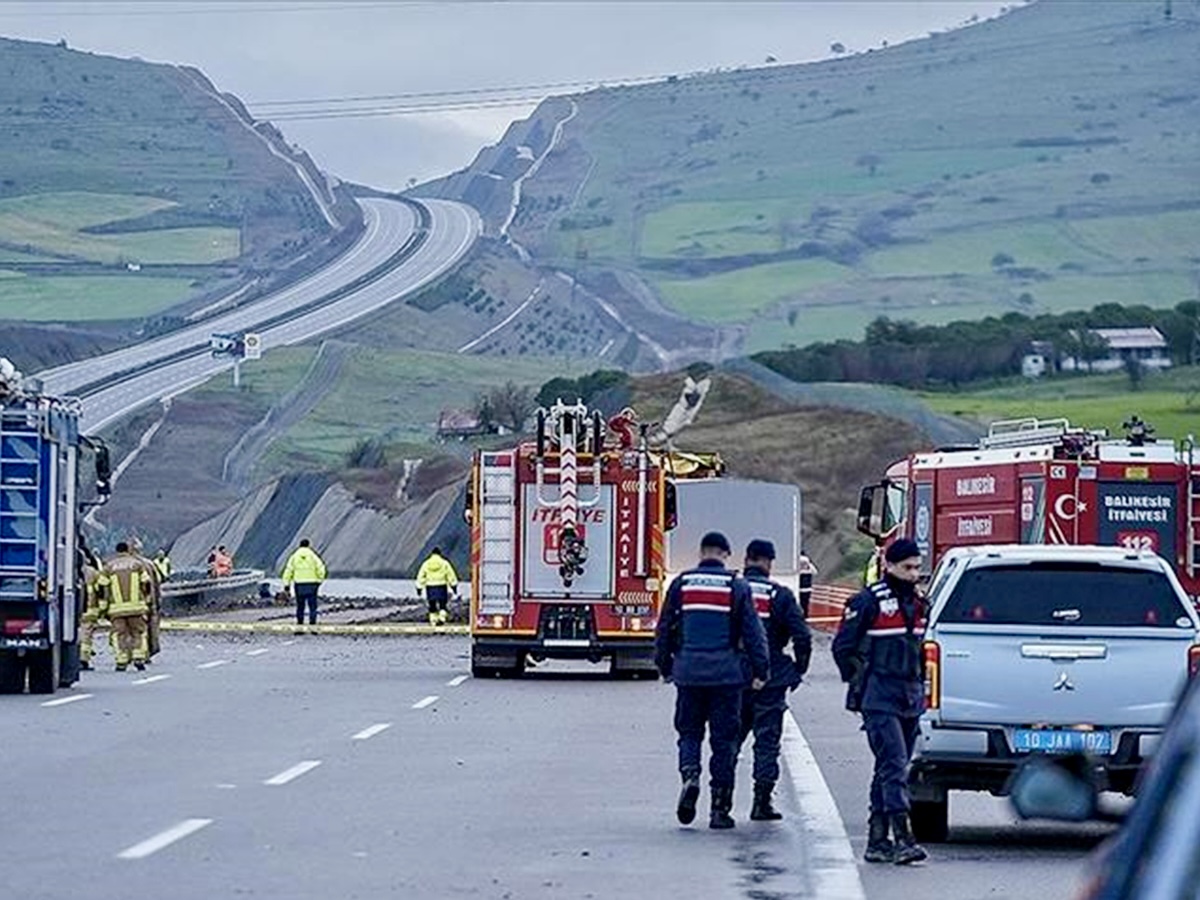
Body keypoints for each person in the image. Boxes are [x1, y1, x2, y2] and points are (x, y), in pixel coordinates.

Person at [655, 531, 769, 830]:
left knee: (689, 733)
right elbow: (753, 633)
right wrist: (761, 671)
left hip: (689, 674)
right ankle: (720, 810)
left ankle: (690, 774)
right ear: (725, 554)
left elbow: (665, 627)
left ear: (701, 552)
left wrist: (665, 665)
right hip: (726, 677)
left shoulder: (681, 583)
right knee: (724, 742)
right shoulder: (736, 586)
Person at [832, 538, 929, 865]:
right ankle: (903, 837)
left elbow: (918, 651)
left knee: (892, 766)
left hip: (910, 696)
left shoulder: (919, 604)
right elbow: (842, 648)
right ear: (888, 566)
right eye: (907, 568)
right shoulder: (868, 601)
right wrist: (859, 682)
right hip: (879, 696)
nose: (913, 574)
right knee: (892, 764)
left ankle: (877, 839)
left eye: (917, 567)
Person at [736, 539, 813, 821]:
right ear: (769, 562)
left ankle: (720, 805)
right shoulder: (779, 595)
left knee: (728, 741)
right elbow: (802, 635)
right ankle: (761, 802)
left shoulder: (731, 591)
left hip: (733, 677)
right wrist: (798, 669)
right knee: (767, 742)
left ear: (746, 559)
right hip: (771, 676)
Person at [98, 541, 155, 672]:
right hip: (137, 607)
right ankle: (139, 658)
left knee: (119, 634)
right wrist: (147, 600)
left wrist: (103, 607)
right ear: (128, 550)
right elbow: (146, 583)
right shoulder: (137, 564)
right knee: (138, 633)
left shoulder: (109, 566)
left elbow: (101, 587)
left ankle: (121, 661)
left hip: (116, 609)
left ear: (116, 551)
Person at [282, 538, 327, 626]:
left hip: (299, 584)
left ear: (300, 545)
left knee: (300, 606)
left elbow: (288, 570)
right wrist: (319, 581)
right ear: (308, 545)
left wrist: (286, 585)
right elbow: (321, 568)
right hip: (312, 584)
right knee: (312, 607)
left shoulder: (294, 556)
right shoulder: (313, 556)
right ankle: (312, 625)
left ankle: (300, 626)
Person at [415, 546, 459, 626]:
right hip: (441, 586)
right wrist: (454, 586)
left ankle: (433, 622)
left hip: (430, 587)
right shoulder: (444, 563)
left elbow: (421, 575)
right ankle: (442, 619)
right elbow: (451, 575)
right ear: (439, 554)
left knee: (432, 605)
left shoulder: (426, 563)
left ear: (432, 554)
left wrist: (419, 588)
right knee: (443, 604)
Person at [78, 547, 104, 671]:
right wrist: (103, 607)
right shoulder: (93, 572)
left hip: (73, 610)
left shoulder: (70, 571)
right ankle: (83, 660)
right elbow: (103, 588)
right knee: (86, 635)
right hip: (90, 609)